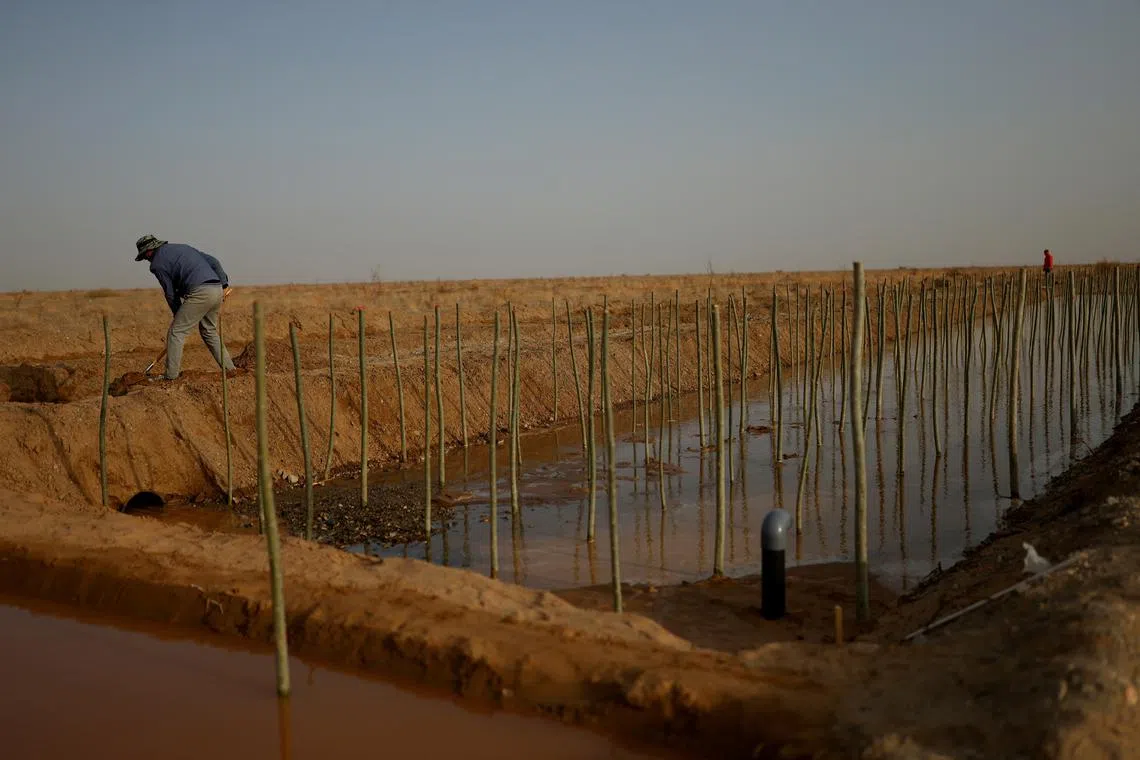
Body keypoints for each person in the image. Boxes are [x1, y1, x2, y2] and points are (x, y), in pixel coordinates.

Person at [134, 235, 236, 380]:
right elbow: (214, 261)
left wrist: (178, 313)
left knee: (176, 332)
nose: (147, 260)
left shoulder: (157, 264)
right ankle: (230, 369)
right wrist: (224, 284)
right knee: (209, 331)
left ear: (149, 251)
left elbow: (169, 293)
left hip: (200, 292)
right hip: (216, 289)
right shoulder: (184, 247)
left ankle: (170, 376)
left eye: (145, 257)